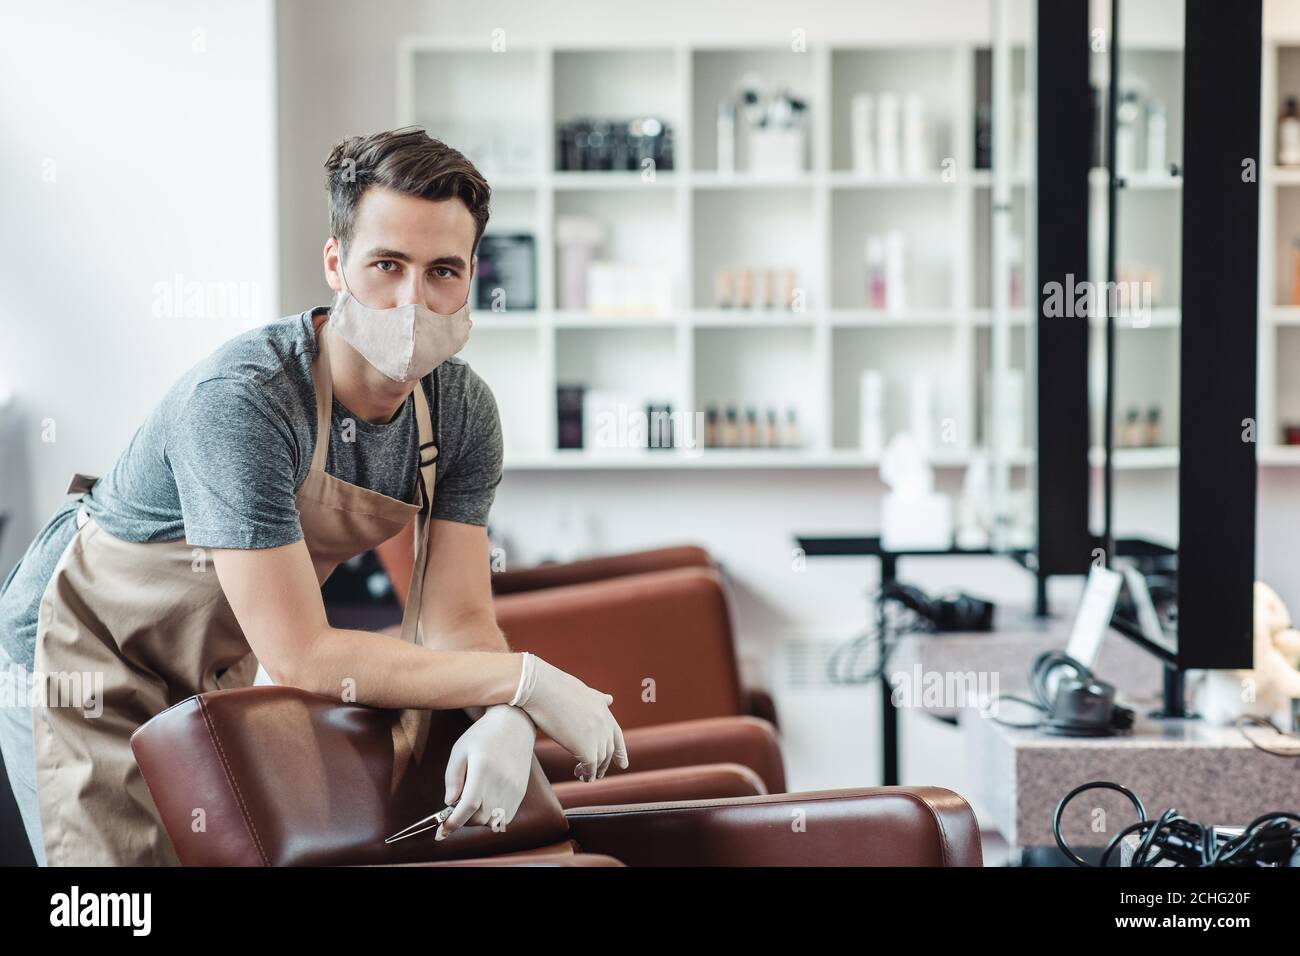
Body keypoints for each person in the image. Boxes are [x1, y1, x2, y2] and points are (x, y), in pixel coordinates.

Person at [0, 127, 626, 866]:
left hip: (211, 656)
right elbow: (301, 653)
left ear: (471, 276)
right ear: (336, 262)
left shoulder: (459, 412)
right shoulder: (247, 401)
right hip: (81, 651)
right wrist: (527, 681)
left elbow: (456, 619)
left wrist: (505, 714)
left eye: (443, 272)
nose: (412, 303)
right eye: (386, 265)